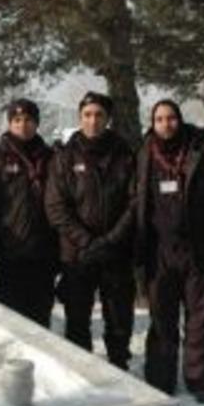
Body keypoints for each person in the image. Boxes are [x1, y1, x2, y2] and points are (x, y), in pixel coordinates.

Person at [134, 99, 204, 401]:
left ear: (180, 120)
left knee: (199, 320)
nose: (166, 124)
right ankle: (160, 380)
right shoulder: (144, 154)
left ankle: (200, 379)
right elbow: (137, 204)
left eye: (171, 118)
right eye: (160, 119)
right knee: (162, 319)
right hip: (159, 251)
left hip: (199, 249)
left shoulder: (201, 151)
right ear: (153, 123)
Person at [45, 91, 136, 370]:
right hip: (77, 254)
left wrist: (111, 240)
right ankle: (81, 369)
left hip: (116, 252)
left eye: (99, 115)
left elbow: (135, 202)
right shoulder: (64, 156)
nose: (93, 120)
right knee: (77, 318)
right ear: (79, 118)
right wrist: (86, 241)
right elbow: (56, 207)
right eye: (87, 114)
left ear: (108, 119)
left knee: (119, 317)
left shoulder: (124, 154)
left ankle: (119, 364)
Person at [0, 99, 58, 326]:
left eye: (28, 120)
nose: (22, 125)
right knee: (9, 321)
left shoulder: (50, 157)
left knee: (40, 317)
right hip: (9, 251)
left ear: (36, 123)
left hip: (43, 251)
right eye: (16, 120)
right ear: (9, 123)